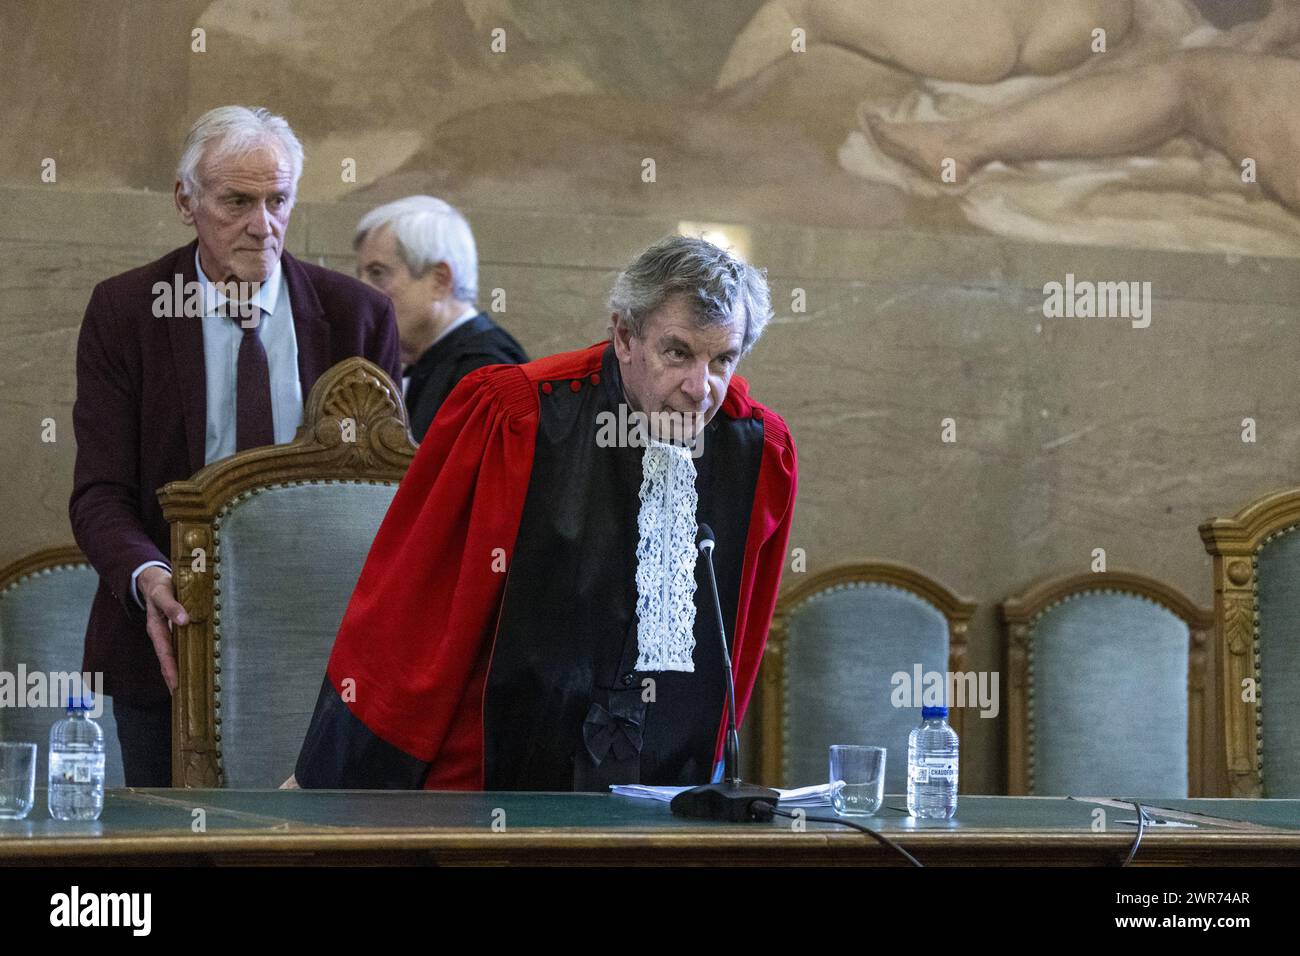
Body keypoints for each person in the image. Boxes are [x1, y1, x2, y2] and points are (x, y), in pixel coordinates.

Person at [292, 236, 797, 791]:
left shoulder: (758, 451)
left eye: (723, 359)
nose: (701, 390)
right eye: (677, 353)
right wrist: (342, 785)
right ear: (624, 336)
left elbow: (741, 647)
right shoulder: (514, 418)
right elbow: (413, 613)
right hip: (494, 787)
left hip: (665, 793)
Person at [69, 105, 402, 787]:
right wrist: (149, 578)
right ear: (185, 200)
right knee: (170, 849)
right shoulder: (127, 311)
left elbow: (387, 491)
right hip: (166, 640)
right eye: (238, 202)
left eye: (279, 200)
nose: (263, 224)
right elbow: (99, 492)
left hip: (323, 643)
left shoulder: (355, 316)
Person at [354, 196, 528, 441]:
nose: (362, 291)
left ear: (440, 280)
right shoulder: (430, 361)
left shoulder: (485, 372)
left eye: (377, 273)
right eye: (360, 274)